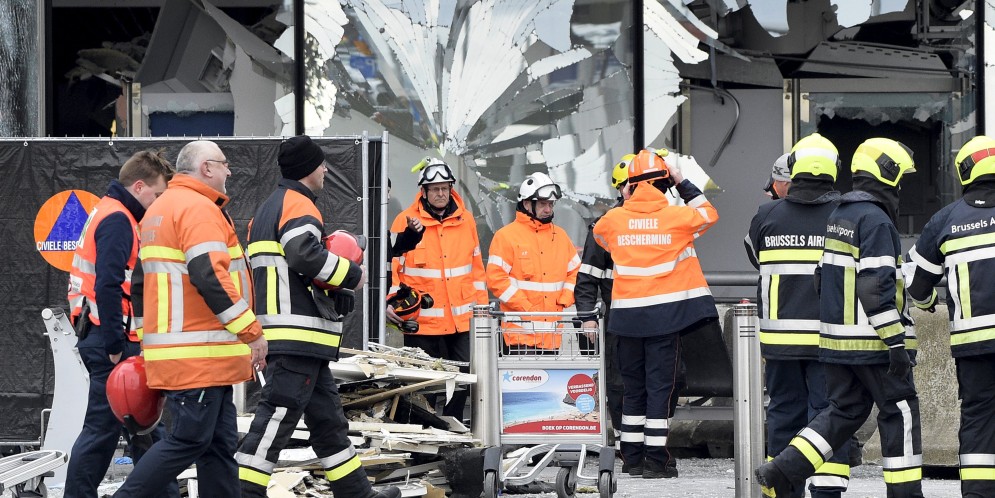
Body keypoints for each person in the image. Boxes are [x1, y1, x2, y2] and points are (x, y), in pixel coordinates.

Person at [756, 137, 923, 498]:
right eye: (900, 178)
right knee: (900, 412)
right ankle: (906, 494)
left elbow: (822, 277)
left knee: (843, 413)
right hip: (874, 344)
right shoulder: (876, 221)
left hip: (836, 345)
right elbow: (875, 287)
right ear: (888, 175)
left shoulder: (840, 215)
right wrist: (895, 342)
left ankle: (782, 469)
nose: (901, 186)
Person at [235, 136, 400, 498]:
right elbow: (303, 254)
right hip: (297, 336)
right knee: (275, 421)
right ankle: (244, 493)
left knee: (329, 424)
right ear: (308, 168)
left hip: (296, 338)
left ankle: (357, 494)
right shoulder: (297, 204)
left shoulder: (269, 208)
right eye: (321, 163)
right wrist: (352, 276)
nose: (325, 169)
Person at [113, 140, 269, 497]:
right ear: (206, 168)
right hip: (201, 357)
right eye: (224, 163)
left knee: (218, 447)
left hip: (188, 358)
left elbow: (139, 284)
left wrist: (148, 344)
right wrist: (251, 332)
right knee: (190, 441)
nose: (229, 171)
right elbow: (209, 276)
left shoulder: (160, 209)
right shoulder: (198, 209)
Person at [592, 148, 719, 479]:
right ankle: (656, 461)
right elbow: (708, 214)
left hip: (626, 320)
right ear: (666, 183)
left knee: (633, 389)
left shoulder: (614, 220)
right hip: (664, 319)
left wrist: (630, 207)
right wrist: (682, 182)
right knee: (659, 389)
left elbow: (599, 234)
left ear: (630, 185)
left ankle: (632, 459)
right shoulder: (677, 218)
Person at [65, 150, 179, 498]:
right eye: (157, 195)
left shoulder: (112, 212)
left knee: (144, 428)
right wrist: (115, 346)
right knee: (108, 430)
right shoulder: (118, 219)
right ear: (139, 186)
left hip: (106, 336)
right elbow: (109, 286)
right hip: (111, 340)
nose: (158, 203)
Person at [745, 136, 852, 498]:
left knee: (783, 414)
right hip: (830, 339)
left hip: (780, 341)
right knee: (829, 416)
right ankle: (827, 492)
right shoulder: (846, 215)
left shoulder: (766, 215)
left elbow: (755, 256)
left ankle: (780, 490)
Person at [904, 135, 995, 497]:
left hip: (974, 346)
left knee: (978, 418)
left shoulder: (947, 219)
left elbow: (915, 283)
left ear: (964, 172)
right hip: (974, 346)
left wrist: (928, 303)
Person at [389, 158, 485, 419]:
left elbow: (476, 268)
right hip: (422, 323)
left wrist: (481, 310)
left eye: (445, 188)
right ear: (424, 191)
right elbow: (393, 269)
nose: (441, 193)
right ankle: (425, 431)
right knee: (423, 385)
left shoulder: (466, 220)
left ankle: (453, 426)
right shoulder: (405, 221)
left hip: (461, 321)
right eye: (434, 189)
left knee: (462, 380)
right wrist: (391, 302)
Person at [486, 172, 580, 353]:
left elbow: (576, 272)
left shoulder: (561, 236)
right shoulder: (506, 236)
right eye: (543, 204)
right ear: (527, 204)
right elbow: (495, 280)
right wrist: (526, 307)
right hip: (518, 339)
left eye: (551, 204)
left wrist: (565, 299)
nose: (548, 209)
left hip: (552, 339)